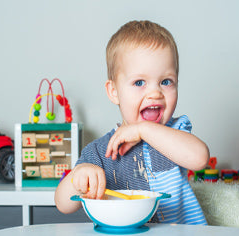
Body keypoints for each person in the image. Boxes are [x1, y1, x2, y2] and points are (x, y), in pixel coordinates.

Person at [55, 20, 209, 225]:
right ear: (114, 92)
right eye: (139, 82)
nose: (155, 92)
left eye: (166, 81)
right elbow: (62, 204)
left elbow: (200, 159)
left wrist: (144, 130)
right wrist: (78, 178)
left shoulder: (173, 133)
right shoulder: (101, 152)